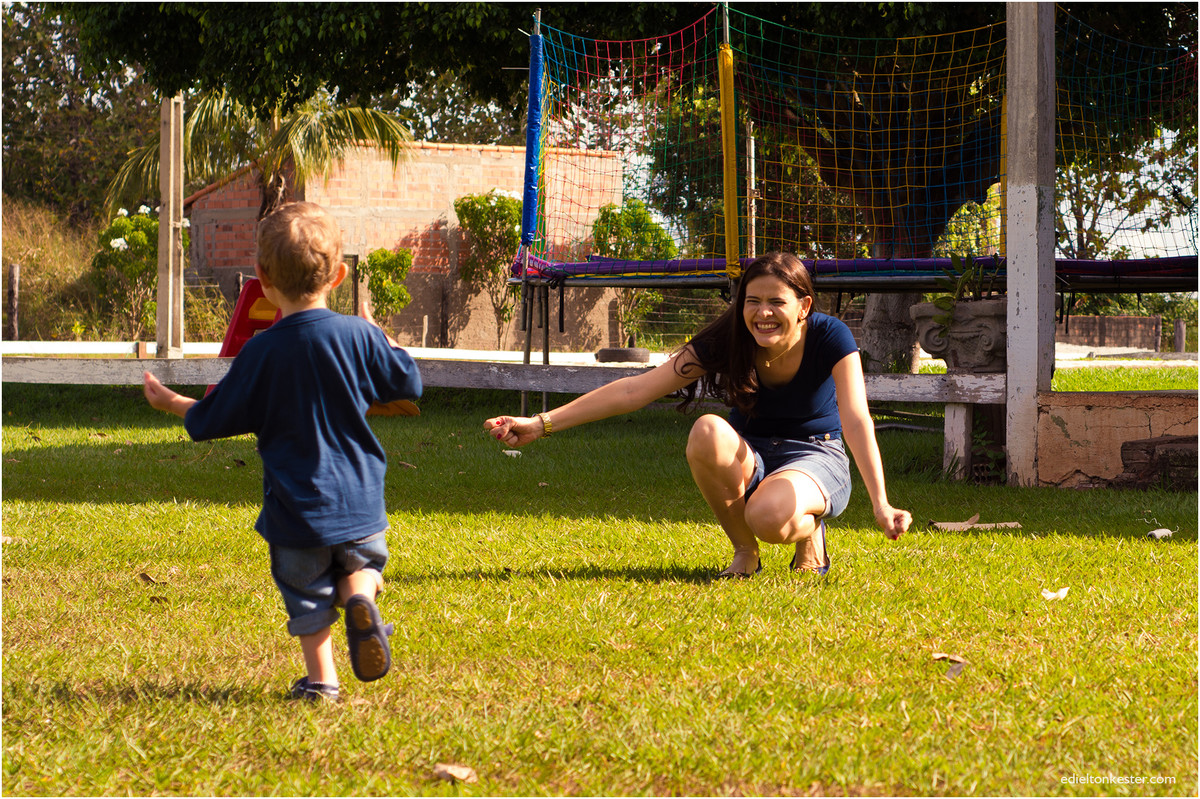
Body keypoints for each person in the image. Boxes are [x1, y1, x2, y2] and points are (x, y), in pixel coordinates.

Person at [143, 202, 423, 702]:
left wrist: (175, 403)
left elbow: (218, 417)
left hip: (297, 512)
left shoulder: (262, 351)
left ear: (262, 279)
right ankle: (360, 594)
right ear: (338, 275)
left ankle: (322, 683)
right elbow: (408, 382)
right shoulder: (358, 336)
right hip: (361, 503)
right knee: (361, 566)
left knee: (308, 596)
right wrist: (380, 335)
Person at [484, 251, 910, 578]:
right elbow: (637, 388)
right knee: (707, 429)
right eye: (752, 301)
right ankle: (745, 552)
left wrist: (880, 503)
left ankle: (811, 530)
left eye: (776, 302)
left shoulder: (830, 335)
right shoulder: (730, 338)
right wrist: (540, 424)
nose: (762, 313)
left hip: (816, 454)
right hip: (754, 451)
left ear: (803, 306)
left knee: (769, 517)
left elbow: (856, 418)